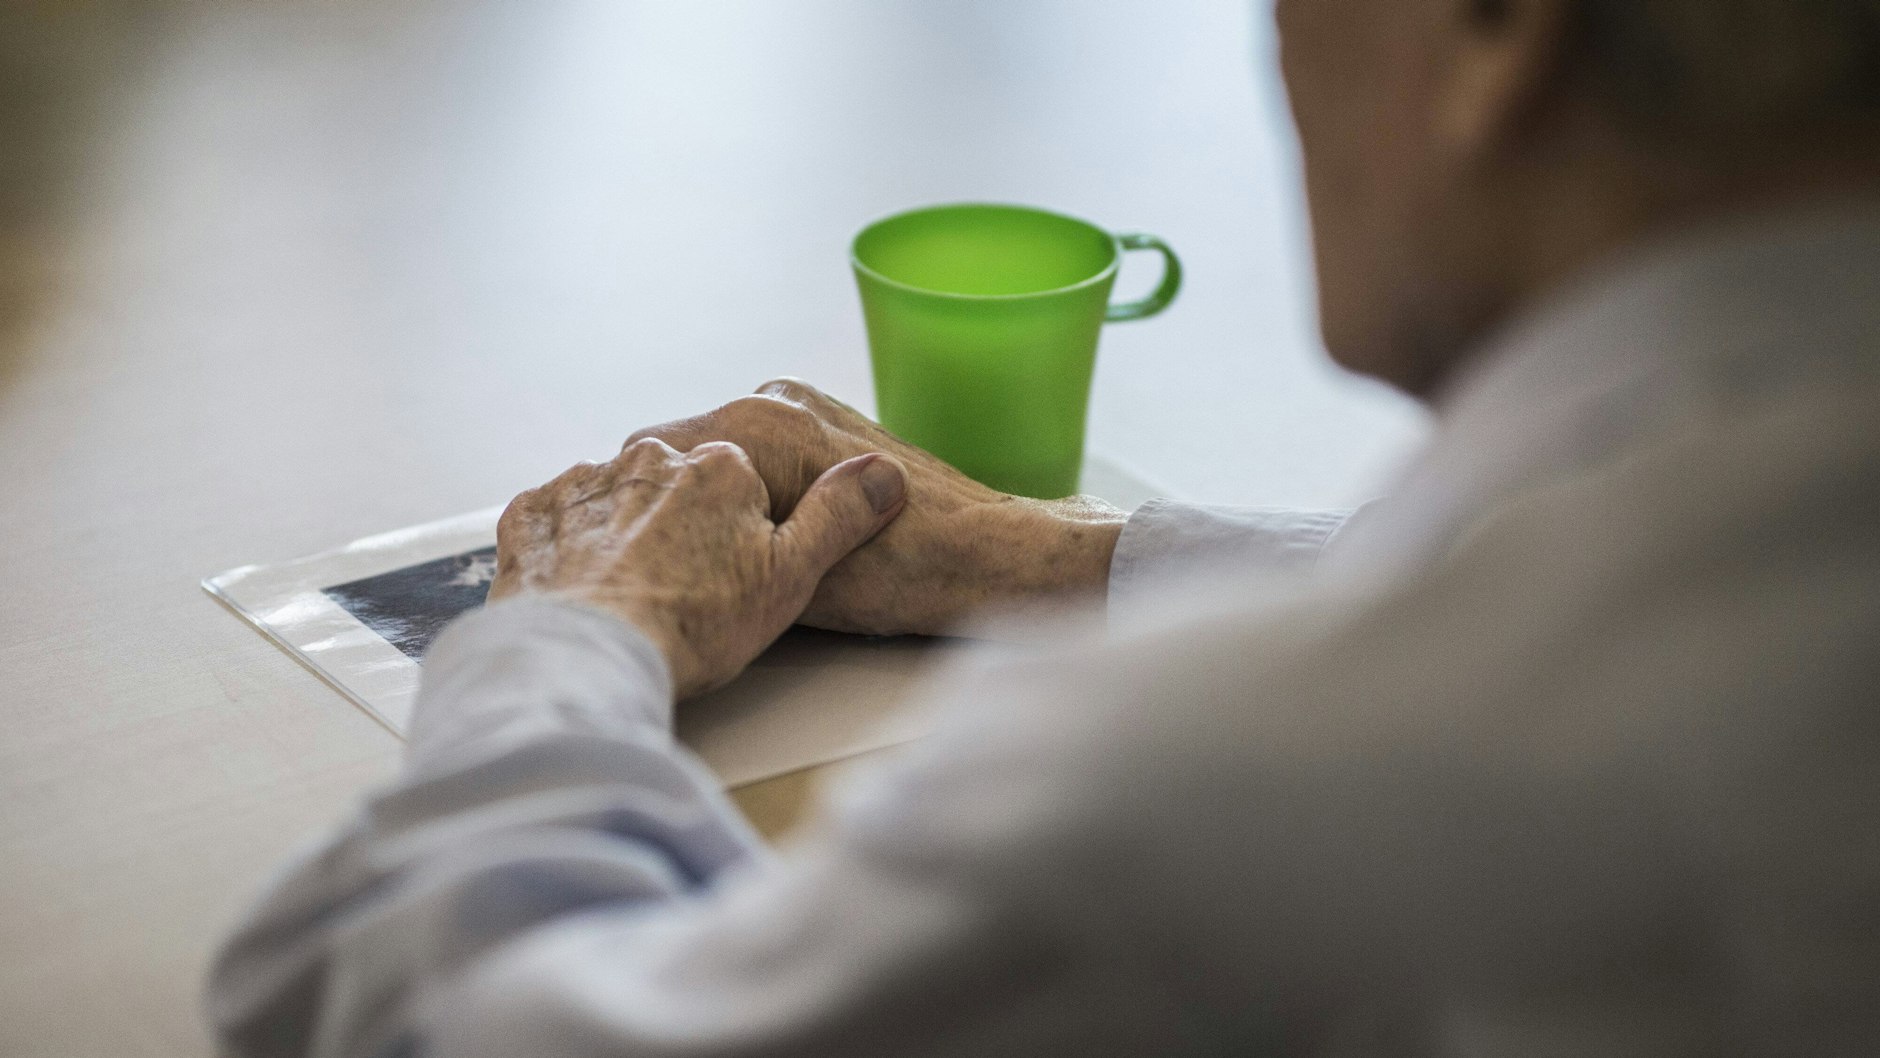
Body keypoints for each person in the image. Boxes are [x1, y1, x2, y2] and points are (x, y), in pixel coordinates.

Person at [208, 0, 1880, 1054]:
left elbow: (390, 1010)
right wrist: (1053, 554)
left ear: (1495, 29)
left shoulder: (1229, 783)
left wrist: (564, 636)